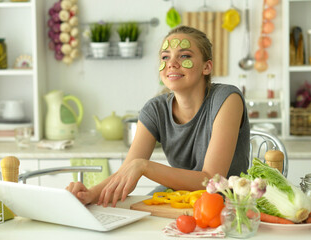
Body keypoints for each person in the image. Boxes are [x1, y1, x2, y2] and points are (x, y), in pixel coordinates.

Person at [66, 26, 250, 207]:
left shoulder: (227, 99)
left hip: (228, 204)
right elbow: (128, 170)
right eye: (165, 57)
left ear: (206, 67)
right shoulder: (155, 109)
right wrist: (90, 194)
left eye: (184, 55)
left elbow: (211, 179)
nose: (171, 63)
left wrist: (145, 166)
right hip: (180, 199)